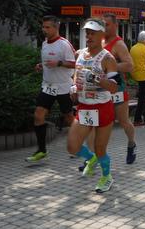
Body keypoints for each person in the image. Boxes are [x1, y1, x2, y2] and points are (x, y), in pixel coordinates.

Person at [67, 19, 118, 193]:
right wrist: (74, 87)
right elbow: (77, 75)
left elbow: (114, 87)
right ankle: (92, 158)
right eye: (87, 32)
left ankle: (107, 177)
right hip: (84, 107)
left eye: (93, 33)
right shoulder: (80, 54)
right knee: (72, 147)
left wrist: (96, 79)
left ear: (102, 35)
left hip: (102, 107)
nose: (89, 36)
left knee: (100, 148)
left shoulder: (108, 58)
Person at [26, 16, 76, 163]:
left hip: (63, 87)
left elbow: (74, 64)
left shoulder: (64, 44)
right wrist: (41, 65)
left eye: (48, 27)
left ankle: (78, 144)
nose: (44, 30)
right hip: (47, 86)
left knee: (68, 117)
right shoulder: (44, 44)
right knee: (38, 115)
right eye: (43, 27)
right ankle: (42, 150)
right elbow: (48, 62)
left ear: (56, 28)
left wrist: (59, 63)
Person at [102, 13, 137, 164]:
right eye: (102, 24)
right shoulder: (100, 41)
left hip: (118, 88)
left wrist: (110, 66)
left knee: (123, 121)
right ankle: (95, 155)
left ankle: (131, 144)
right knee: (99, 123)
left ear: (115, 25)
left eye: (107, 24)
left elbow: (130, 66)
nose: (104, 28)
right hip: (101, 88)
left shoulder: (118, 44)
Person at [130, 31, 145, 126]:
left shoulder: (133, 48)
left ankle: (139, 118)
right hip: (144, 76)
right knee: (142, 99)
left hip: (135, 75)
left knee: (141, 97)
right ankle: (137, 119)